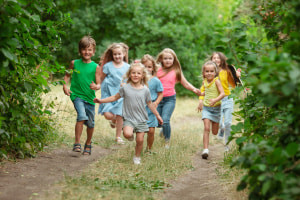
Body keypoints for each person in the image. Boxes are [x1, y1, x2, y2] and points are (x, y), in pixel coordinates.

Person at [94, 63, 163, 164]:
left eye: (138, 73)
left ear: (143, 75)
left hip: (142, 119)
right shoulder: (125, 88)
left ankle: (137, 157)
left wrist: (157, 115)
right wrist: (101, 100)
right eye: (133, 73)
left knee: (140, 140)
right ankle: (130, 136)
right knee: (127, 134)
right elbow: (114, 97)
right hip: (129, 119)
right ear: (129, 74)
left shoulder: (145, 90)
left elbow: (150, 104)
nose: (135, 75)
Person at [156, 48, 201, 149]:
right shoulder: (157, 69)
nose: (168, 60)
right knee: (157, 122)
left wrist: (194, 89)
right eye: (165, 58)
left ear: (174, 59)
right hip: (157, 99)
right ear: (161, 59)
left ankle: (167, 142)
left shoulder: (176, 71)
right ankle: (163, 129)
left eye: (170, 58)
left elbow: (185, 83)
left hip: (170, 99)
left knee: (165, 120)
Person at [63, 35, 100, 155]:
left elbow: (99, 83)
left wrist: (96, 86)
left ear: (93, 52)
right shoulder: (74, 63)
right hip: (77, 95)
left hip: (89, 98)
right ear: (80, 50)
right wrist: (65, 85)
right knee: (81, 115)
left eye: (89, 50)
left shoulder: (96, 67)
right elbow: (67, 75)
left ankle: (88, 143)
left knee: (90, 123)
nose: (87, 52)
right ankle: (77, 143)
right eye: (84, 49)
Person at [199, 52, 241, 151]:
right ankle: (221, 128)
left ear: (222, 60)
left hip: (227, 99)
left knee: (228, 123)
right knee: (220, 123)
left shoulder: (226, 71)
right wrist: (201, 100)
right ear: (211, 60)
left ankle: (227, 144)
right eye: (214, 58)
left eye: (218, 58)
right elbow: (203, 88)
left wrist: (237, 76)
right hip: (216, 102)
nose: (216, 59)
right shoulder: (210, 72)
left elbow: (234, 84)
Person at [98, 43, 130, 144]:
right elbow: (101, 77)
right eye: (115, 54)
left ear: (124, 54)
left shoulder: (127, 67)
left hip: (121, 95)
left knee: (120, 115)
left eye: (119, 54)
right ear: (112, 55)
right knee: (108, 115)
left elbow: (130, 80)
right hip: (108, 93)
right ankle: (113, 120)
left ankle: (118, 137)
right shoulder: (108, 66)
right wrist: (97, 86)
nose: (117, 56)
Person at [197, 61, 225, 159]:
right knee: (206, 128)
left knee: (214, 132)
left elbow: (222, 94)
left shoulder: (216, 81)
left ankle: (220, 125)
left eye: (211, 71)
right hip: (207, 108)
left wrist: (215, 100)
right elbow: (204, 92)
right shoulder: (204, 82)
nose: (209, 73)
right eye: (207, 71)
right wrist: (200, 100)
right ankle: (205, 150)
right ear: (204, 72)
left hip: (216, 109)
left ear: (215, 72)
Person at [141, 54, 163, 153]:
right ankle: (139, 147)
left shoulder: (156, 81)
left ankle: (149, 149)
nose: (147, 69)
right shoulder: (138, 80)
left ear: (153, 68)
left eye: (149, 67)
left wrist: (157, 102)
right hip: (140, 109)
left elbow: (161, 94)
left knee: (151, 131)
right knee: (141, 132)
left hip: (151, 109)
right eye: (144, 66)